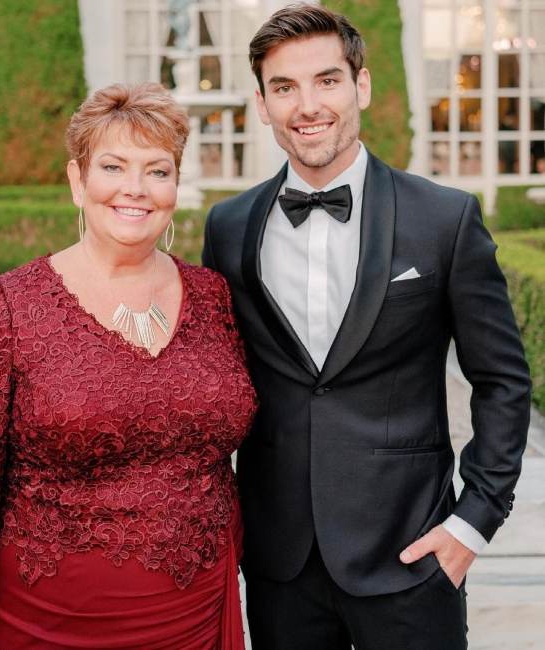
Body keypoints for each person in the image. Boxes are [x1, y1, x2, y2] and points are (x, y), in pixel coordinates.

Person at [202, 5, 531, 649]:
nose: (307, 106)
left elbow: (502, 381)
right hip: (279, 565)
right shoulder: (228, 227)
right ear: (262, 105)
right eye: (284, 87)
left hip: (412, 557)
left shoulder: (446, 220)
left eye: (326, 80)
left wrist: (472, 523)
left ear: (362, 86)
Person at [0, 82, 257, 650]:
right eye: (114, 166)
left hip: (194, 613)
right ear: (79, 181)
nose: (136, 189)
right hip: (50, 620)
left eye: (158, 170)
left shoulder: (213, 295)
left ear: (175, 186)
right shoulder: (11, 304)